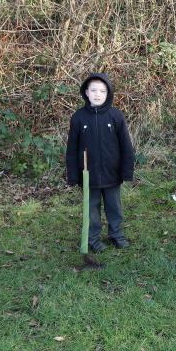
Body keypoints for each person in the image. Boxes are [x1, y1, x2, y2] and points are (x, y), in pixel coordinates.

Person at [65, 73, 135, 252]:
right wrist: (73, 175)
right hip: (89, 176)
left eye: (102, 91)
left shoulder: (116, 116)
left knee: (114, 207)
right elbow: (72, 149)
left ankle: (116, 234)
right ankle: (93, 239)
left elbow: (126, 146)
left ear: (108, 93)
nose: (97, 94)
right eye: (93, 90)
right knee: (92, 210)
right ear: (86, 93)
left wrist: (126, 171)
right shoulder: (78, 118)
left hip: (113, 173)